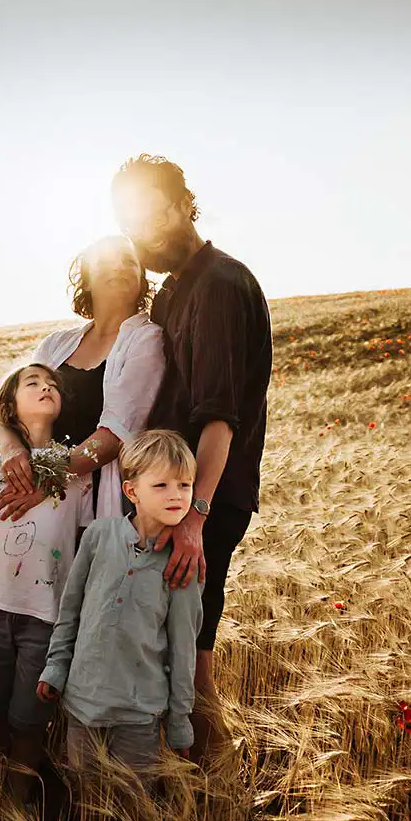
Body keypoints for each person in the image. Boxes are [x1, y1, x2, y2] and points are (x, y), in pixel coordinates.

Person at [111, 154, 273, 765]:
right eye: (129, 220)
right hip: (177, 498)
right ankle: (194, 782)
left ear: (185, 204)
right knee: (176, 647)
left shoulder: (220, 286)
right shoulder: (178, 291)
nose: (141, 230)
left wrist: (193, 520)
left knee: (188, 651)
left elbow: (218, 417)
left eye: (152, 211)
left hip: (201, 499)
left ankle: (215, 783)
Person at [35, 429, 201, 791]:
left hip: (139, 713)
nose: (176, 495)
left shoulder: (182, 565)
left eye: (185, 486)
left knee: (133, 803)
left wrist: (179, 722)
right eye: (162, 486)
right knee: (86, 794)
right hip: (82, 702)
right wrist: (55, 667)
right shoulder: (97, 536)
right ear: (132, 492)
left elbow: (184, 649)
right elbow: (71, 610)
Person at [0, 363, 94, 805]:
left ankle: (17, 804)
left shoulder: (76, 478)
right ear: (9, 405)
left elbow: (81, 546)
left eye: (53, 384)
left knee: (30, 716)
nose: (46, 387)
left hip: (47, 617)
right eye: (32, 383)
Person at [0, 235, 165, 524]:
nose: (119, 267)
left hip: (94, 507)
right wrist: (12, 450)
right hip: (33, 499)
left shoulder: (147, 339)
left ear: (141, 278)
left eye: (129, 261)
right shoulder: (56, 344)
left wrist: (47, 480)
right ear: (86, 279)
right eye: (106, 262)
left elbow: (115, 434)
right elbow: (7, 412)